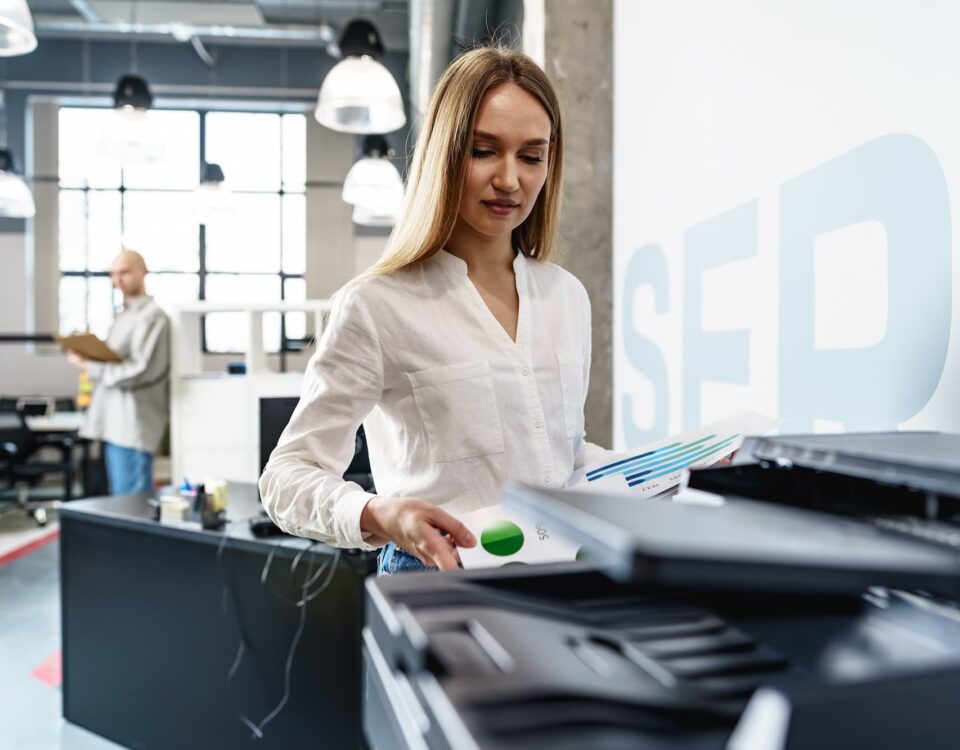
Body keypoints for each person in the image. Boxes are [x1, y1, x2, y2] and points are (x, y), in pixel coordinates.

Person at [260, 46, 613, 575]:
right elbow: (287, 475)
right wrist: (380, 514)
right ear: (444, 154)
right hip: (438, 577)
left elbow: (560, 454)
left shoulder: (566, 296)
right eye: (483, 151)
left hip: (561, 570)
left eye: (531, 156)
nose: (509, 179)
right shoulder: (377, 305)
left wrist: (676, 469)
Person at [67, 250, 170, 495]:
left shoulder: (153, 317)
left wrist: (89, 367)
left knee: (131, 502)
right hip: (114, 423)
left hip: (132, 425)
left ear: (143, 272)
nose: (117, 279)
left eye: (124, 272)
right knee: (121, 500)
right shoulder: (124, 315)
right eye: (113, 274)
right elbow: (116, 361)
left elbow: (140, 370)